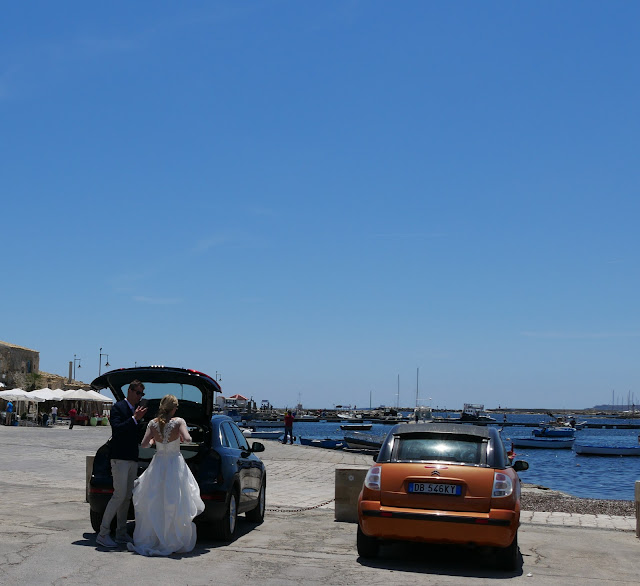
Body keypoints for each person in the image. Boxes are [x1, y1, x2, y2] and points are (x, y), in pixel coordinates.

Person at [127, 394, 204, 556]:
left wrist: (154, 441)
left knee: (155, 500)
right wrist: (183, 437)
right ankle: (172, 538)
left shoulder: (152, 423)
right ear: (174, 408)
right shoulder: (179, 422)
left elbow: (144, 445)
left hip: (158, 464)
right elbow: (188, 439)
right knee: (175, 500)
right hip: (175, 464)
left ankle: (154, 537)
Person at [96, 380, 148, 548]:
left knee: (126, 497)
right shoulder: (118, 408)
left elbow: (136, 434)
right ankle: (103, 533)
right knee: (119, 495)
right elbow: (117, 429)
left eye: (142, 394)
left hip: (132, 458)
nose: (140, 397)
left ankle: (121, 533)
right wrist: (134, 419)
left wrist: (141, 422)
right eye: (138, 393)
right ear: (129, 391)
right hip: (119, 458)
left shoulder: (136, 410)